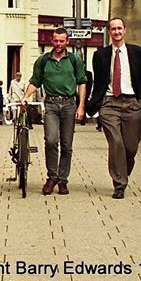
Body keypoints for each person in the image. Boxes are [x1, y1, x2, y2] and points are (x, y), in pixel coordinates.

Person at [86, 17, 141, 199]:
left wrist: (140, 101)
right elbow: (99, 82)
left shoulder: (136, 52)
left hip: (131, 104)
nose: (117, 32)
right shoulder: (100, 55)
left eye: (119, 28)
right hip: (109, 103)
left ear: (125, 30)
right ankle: (119, 184)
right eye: (113, 29)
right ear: (109, 32)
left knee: (130, 147)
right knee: (116, 143)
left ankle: (123, 170)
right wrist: (93, 103)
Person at [21, 28, 87, 196]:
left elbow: (82, 82)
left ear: (67, 42)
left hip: (69, 104)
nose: (58, 44)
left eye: (62, 41)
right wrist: (26, 97)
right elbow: (35, 81)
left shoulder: (75, 60)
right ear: (52, 41)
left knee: (67, 145)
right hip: (50, 104)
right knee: (51, 141)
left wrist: (81, 106)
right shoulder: (43, 60)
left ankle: (63, 181)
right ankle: (52, 177)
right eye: (56, 41)